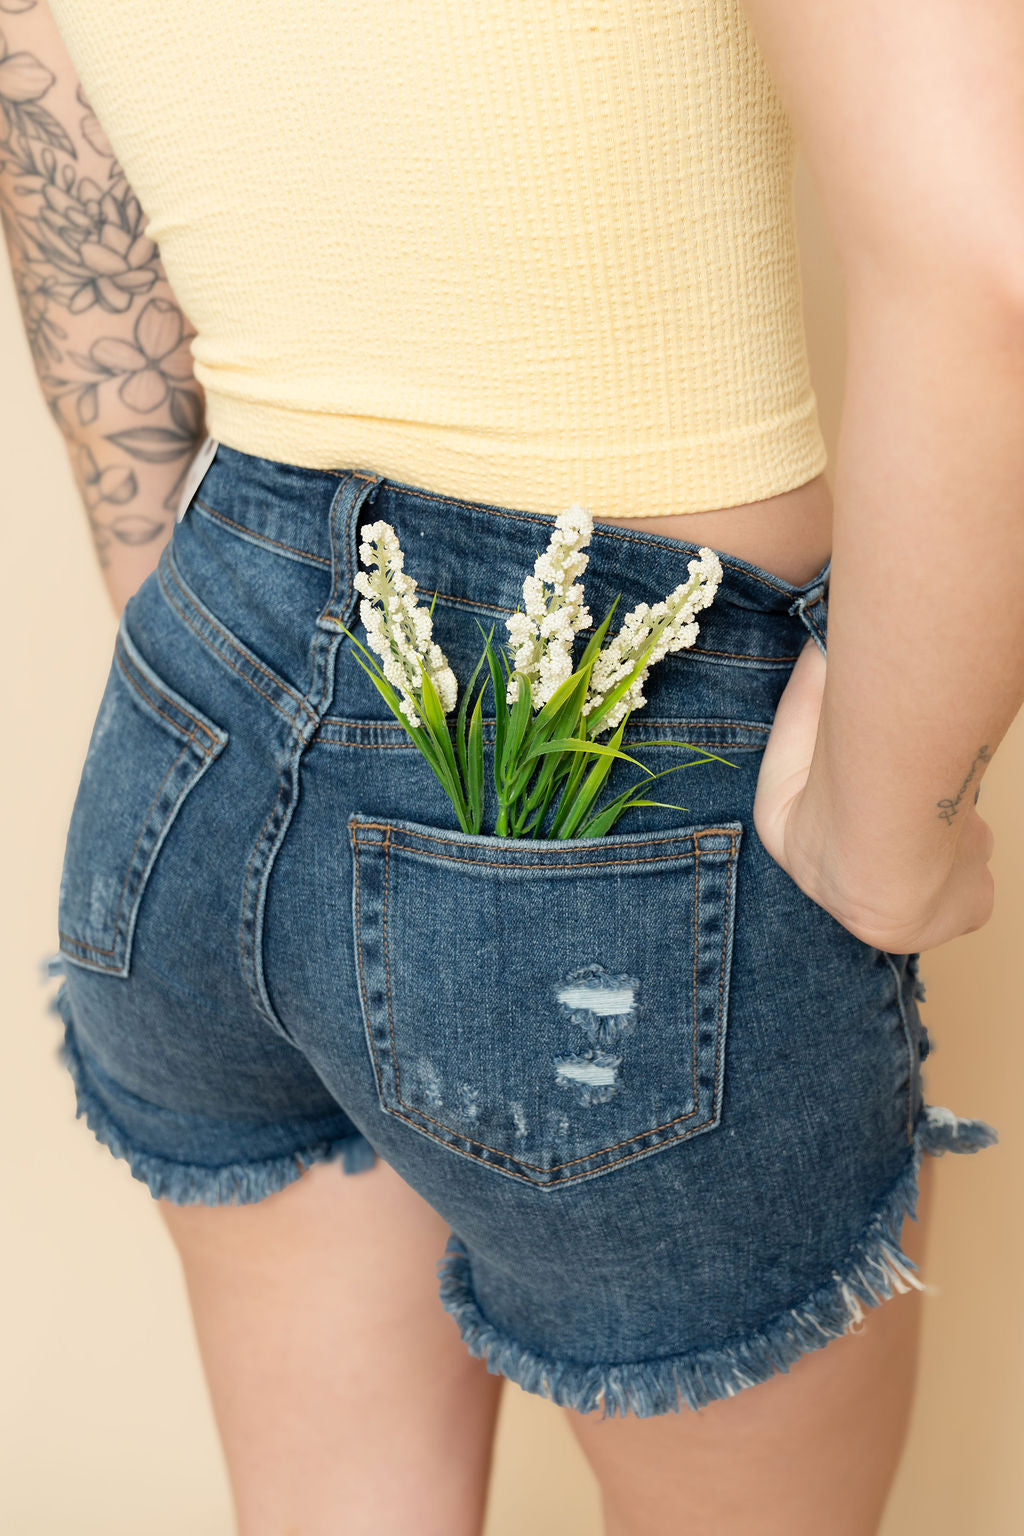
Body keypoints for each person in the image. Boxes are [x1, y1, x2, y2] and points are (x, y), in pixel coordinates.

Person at [4, 2, 1017, 1532]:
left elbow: (51, 126)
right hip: (617, 761)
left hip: (197, 684)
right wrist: (896, 833)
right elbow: (990, 257)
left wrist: (215, 665)